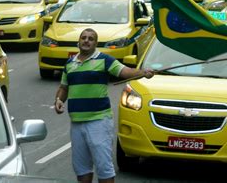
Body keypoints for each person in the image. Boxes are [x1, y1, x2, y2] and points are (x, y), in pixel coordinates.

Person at [54, 28, 154, 183]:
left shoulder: (105, 59)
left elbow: (124, 71)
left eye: (91, 38)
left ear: (95, 43)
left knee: (104, 168)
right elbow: (63, 87)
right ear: (79, 41)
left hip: (99, 121)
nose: (86, 40)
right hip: (76, 123)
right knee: (82, 170)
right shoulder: (69, 63)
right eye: (84, 38)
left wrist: (142, 72)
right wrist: (59, 100)